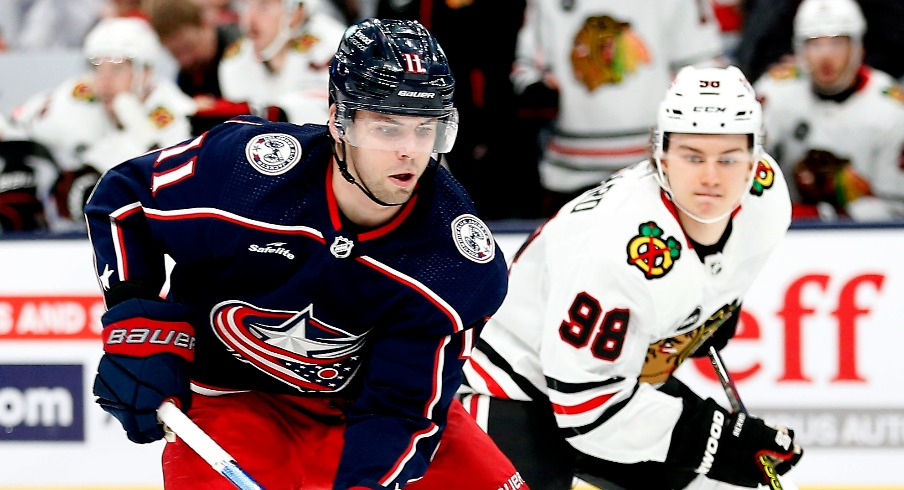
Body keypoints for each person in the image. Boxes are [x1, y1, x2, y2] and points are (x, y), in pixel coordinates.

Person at [84, 18, 528, 490]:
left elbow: (400, 410)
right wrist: (139, 324)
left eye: (426, 130)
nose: (409, 153)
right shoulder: (247, 172)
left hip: (363, 406)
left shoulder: (457, 262)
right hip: (234, 396)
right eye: (387, 127)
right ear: (338, 120)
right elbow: (124, 197)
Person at [460, 66, 803, 490]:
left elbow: (721, 269)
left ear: (755, 160)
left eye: (729, 158)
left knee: (690, 476)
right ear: (659, 155)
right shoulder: (616, 251)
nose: (711, 177)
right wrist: (715, 439)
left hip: (604, 379)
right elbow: (588, 411)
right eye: (692, 155)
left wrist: (710, 310)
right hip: (512, 385)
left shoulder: (766, 200)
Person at [513, 0, 726, 216]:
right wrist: (535, 90)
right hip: (571, 174)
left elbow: (704, 67)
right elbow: (528, 65)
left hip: (656, 172)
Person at [10, 17, 195, 230]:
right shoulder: (80, 96)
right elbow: (20, 122)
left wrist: (135, 122)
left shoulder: (169, 110)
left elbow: (171, 183)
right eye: (97, 67)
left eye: (116, 68)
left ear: (145, 72)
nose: (104, 80)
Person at [753, 0, 904, 221]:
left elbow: (897, 208)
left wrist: (828, 214)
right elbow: (744, 167)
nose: (825, 56)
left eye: (836, 44)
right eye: (814, 44)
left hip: (866, 239)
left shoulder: (892, 108)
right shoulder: (775, 92)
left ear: (858, 48)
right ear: (798, 48)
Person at [217, 0, 347, 125]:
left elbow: (325, 115)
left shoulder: (333, 46)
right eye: (245, 6)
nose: (249, 19)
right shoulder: (236, 59)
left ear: (296, 12)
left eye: (264, 6)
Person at [144, 0, 243, 134]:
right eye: (176, 54)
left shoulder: (240, 50)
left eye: (189, 48)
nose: (186, 59)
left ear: (205, 24)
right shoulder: (186, 75)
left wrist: (214, 108)